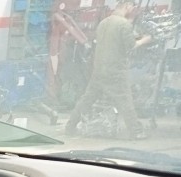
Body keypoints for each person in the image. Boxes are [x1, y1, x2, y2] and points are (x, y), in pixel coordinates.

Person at [65, 1, 152, 139]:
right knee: (125, 100)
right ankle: (136, 132)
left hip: (99, 69)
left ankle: (70, 127)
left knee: (87, 99)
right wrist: (145, 40)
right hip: (116, 70)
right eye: (133, 6)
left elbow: (113, 41)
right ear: (128, 6)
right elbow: (130, 46)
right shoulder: (124, 24)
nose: (134, 9)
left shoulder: (103, 23)